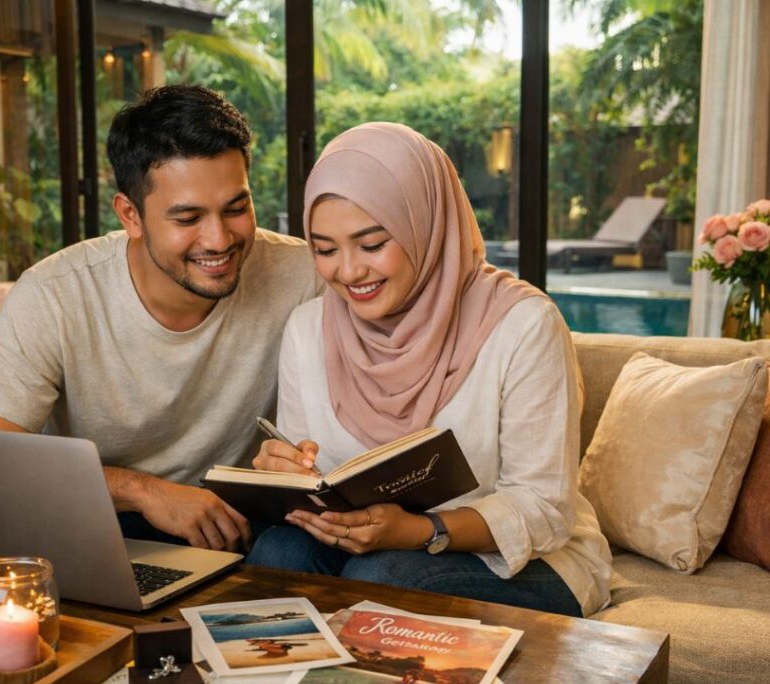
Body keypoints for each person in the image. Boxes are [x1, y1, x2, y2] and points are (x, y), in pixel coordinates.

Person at [245, 122, 612, 617]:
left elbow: (543, 507)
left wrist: (419, 530)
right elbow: (308, 482)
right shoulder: (308, 328)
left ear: (424, 225)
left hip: (528, 560)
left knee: (386, 578)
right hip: (371, 550)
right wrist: (285, 477)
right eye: (326, 250)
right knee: (278, 553)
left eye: (372, 244)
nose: (348, 272)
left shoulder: (524, 324)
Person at [0, 85, 322, 553]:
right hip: (101, 523)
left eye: (236, 208)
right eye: (187, 218)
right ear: (130, 215)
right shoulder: (54, 295)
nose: (219, 239)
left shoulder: (303, 274)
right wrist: (144, 492)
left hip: (240, 526)